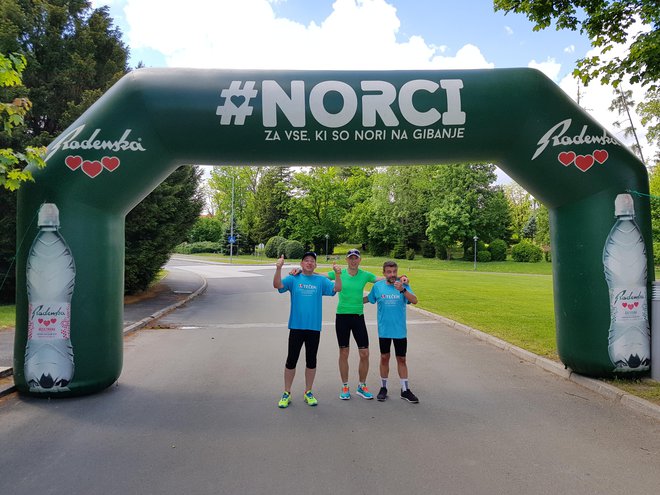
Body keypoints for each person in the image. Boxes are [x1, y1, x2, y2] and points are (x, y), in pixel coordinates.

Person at [273, 251, 342, 408]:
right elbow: (277, 285)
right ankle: (286, 392)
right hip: (296, 326)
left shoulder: (320, 280)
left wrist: (338, 275)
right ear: (301, 263)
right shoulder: (293, 278)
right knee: (291, 360)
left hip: (313, 328)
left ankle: (308, 392)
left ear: (315, 265)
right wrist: (278, 268)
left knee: (311, 361)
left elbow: (337, 289)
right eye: (306, 260)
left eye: (312, 261)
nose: (309, 263)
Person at [365, 260, 419, 403]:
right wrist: (350, 300)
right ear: (384, 273)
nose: (392, 274)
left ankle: (405, 390)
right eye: (389, 272)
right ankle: (383, 388)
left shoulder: (403, 285)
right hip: (384, 331)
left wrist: (403, 289)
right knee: (384, 358)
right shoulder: (378, 287)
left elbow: (414, 300)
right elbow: (368, 299)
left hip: (400, 331)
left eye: (394, 271)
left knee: (401, 359)